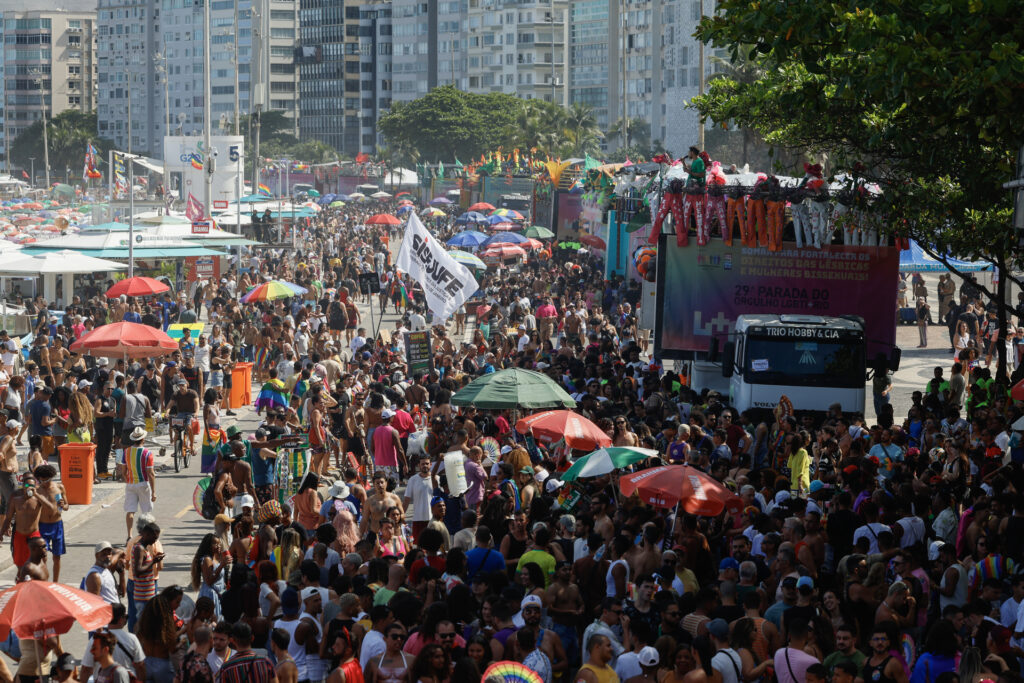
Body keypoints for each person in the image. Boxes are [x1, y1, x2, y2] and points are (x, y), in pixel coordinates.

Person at [116, 426, 156, 539]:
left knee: (130, 511)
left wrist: (128, 479)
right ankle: (146, 536)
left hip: (130, 484)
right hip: (143, 484)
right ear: (143, 439)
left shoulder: (126, 452)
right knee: (146, 513)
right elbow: (151, 473)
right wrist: (153, 492)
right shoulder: (147, 453)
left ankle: (129, 535)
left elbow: (124, 471)